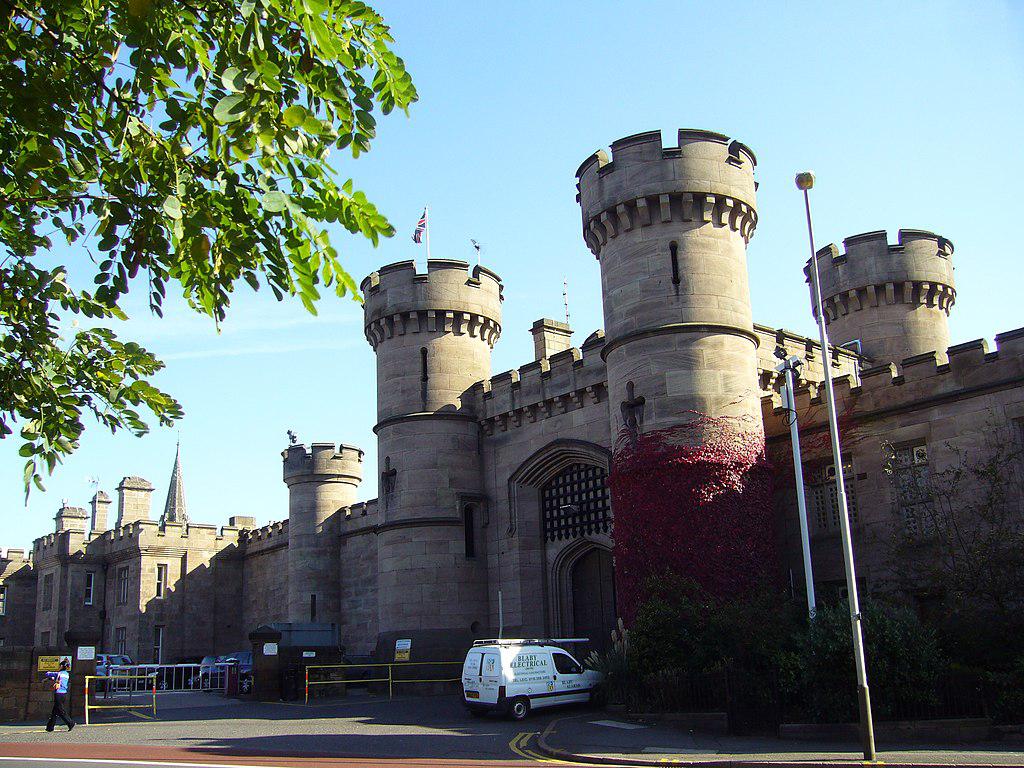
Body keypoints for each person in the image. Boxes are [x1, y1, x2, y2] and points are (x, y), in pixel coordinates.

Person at [44, 658, 75, 732]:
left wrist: (48, 675)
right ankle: (50, 727)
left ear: (61, 666)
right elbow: (57, 679)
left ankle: (70, 723)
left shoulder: (59, 673)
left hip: (58, 694)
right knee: (54, 711)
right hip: (64, 693)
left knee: (60, 710)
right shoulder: (67, 674)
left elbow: (47, 673)